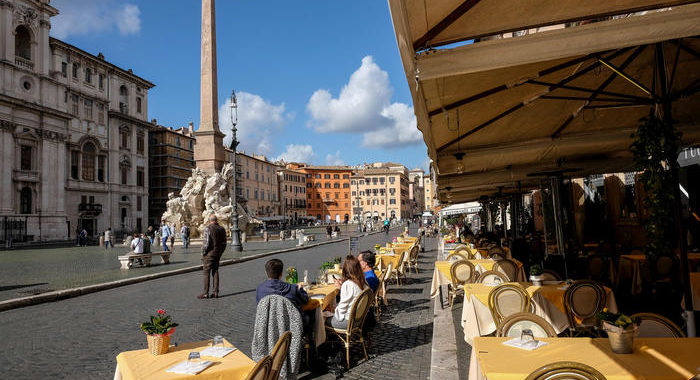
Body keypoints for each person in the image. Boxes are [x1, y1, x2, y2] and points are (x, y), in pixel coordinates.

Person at [326, 255, 367, 329]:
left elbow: (341, 310)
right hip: (358, 320)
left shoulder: (348, 284)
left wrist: (333, 312)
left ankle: (321, 340)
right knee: (329, 310)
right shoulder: (363, 282)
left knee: (321, 317)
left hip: (347, 322)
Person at [199, 214, 227, 299]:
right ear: (216, 220)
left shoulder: (208, 228)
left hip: (209, 254)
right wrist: (220, 252)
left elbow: (206, 243)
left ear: (210, 220)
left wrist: (203, 253)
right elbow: (224, 243)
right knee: (215, 271)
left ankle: (205, 293)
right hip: (217, 253)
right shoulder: (222, 229)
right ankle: (215, 292)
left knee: (206, 273)